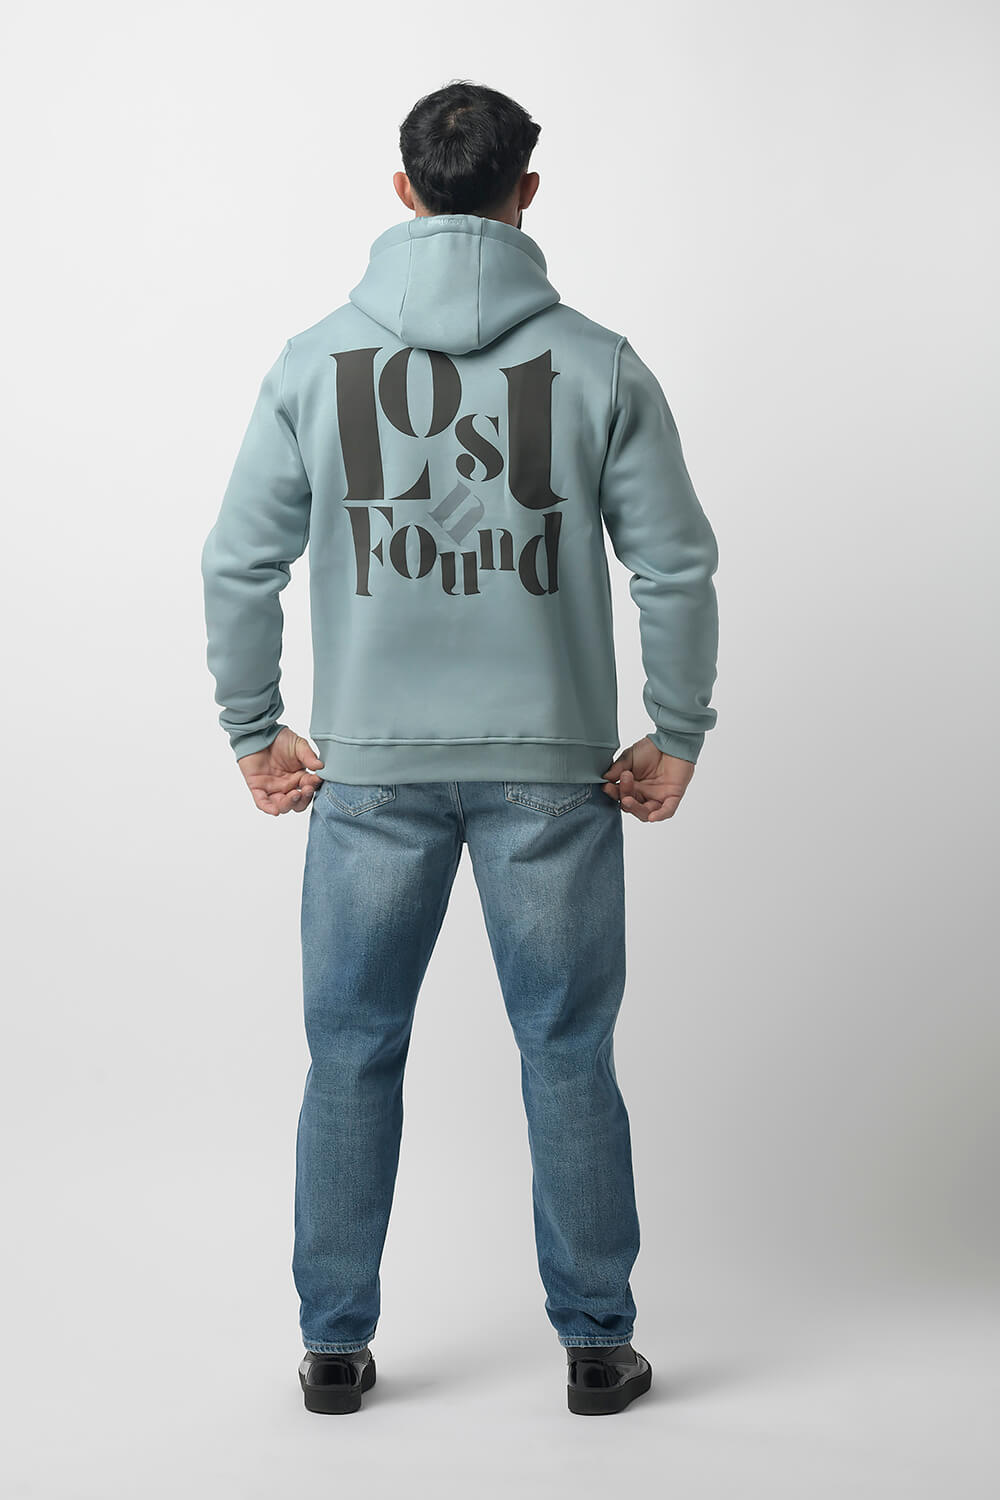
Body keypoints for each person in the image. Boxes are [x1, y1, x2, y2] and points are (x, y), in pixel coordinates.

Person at [200, 79, 720, 1417]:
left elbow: (236, 563)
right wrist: (676, 730)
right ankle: (597, 1348)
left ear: (403, 191)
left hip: (369, 775)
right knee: (568, 1053)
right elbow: (674, 565)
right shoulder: (602, 363)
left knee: (350, 1053)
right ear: (525, 194)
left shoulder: (314, 361)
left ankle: (333, 1349)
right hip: (551, 773)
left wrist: (255, 730)